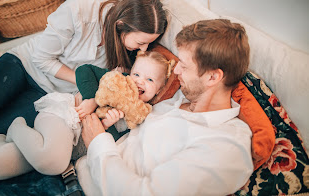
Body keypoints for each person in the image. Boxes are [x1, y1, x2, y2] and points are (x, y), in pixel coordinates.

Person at [0, 0, 167, 194]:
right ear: (121, 25)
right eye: (141, 43)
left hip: (47, 94)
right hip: (23, 67)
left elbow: (113, 91)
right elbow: (41, 59)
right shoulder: (78, 12)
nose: (144, 48)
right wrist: (89, 93)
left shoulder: (128, 58)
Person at [79, 19, 254, 195]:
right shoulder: (178, 96)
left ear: (212, 78)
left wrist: (97, 142)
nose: (176, 72)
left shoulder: (226, 146)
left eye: (184, 66)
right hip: (76, 167)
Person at [0, 50, 175, 181]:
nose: (140, 82)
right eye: (137, 74)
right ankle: (16, 125)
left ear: (158, 91)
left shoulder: (138, 116)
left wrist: (107, 124)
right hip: (65, 115)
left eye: (150, 80)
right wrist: (92, 98)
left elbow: (106, 141)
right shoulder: (116, 80)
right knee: (54, 162)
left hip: (71, 146)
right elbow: (84, 70)